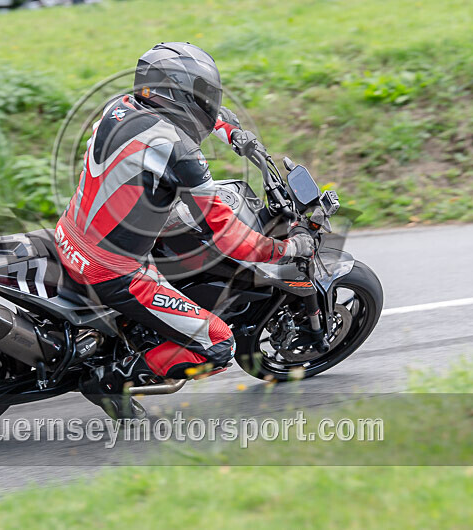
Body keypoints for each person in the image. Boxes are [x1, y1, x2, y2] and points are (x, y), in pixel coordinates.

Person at [55, 42, 314, 418]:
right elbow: (230, 239)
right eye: (202, 95)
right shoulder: (180, 152)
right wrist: (288, 249)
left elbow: (212, 119)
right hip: (113, 270)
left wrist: (236, 135)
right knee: (217, 345)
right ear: (179, 94)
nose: (208, 103)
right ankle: (111, 381)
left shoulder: (119, 107)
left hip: (69, 234)